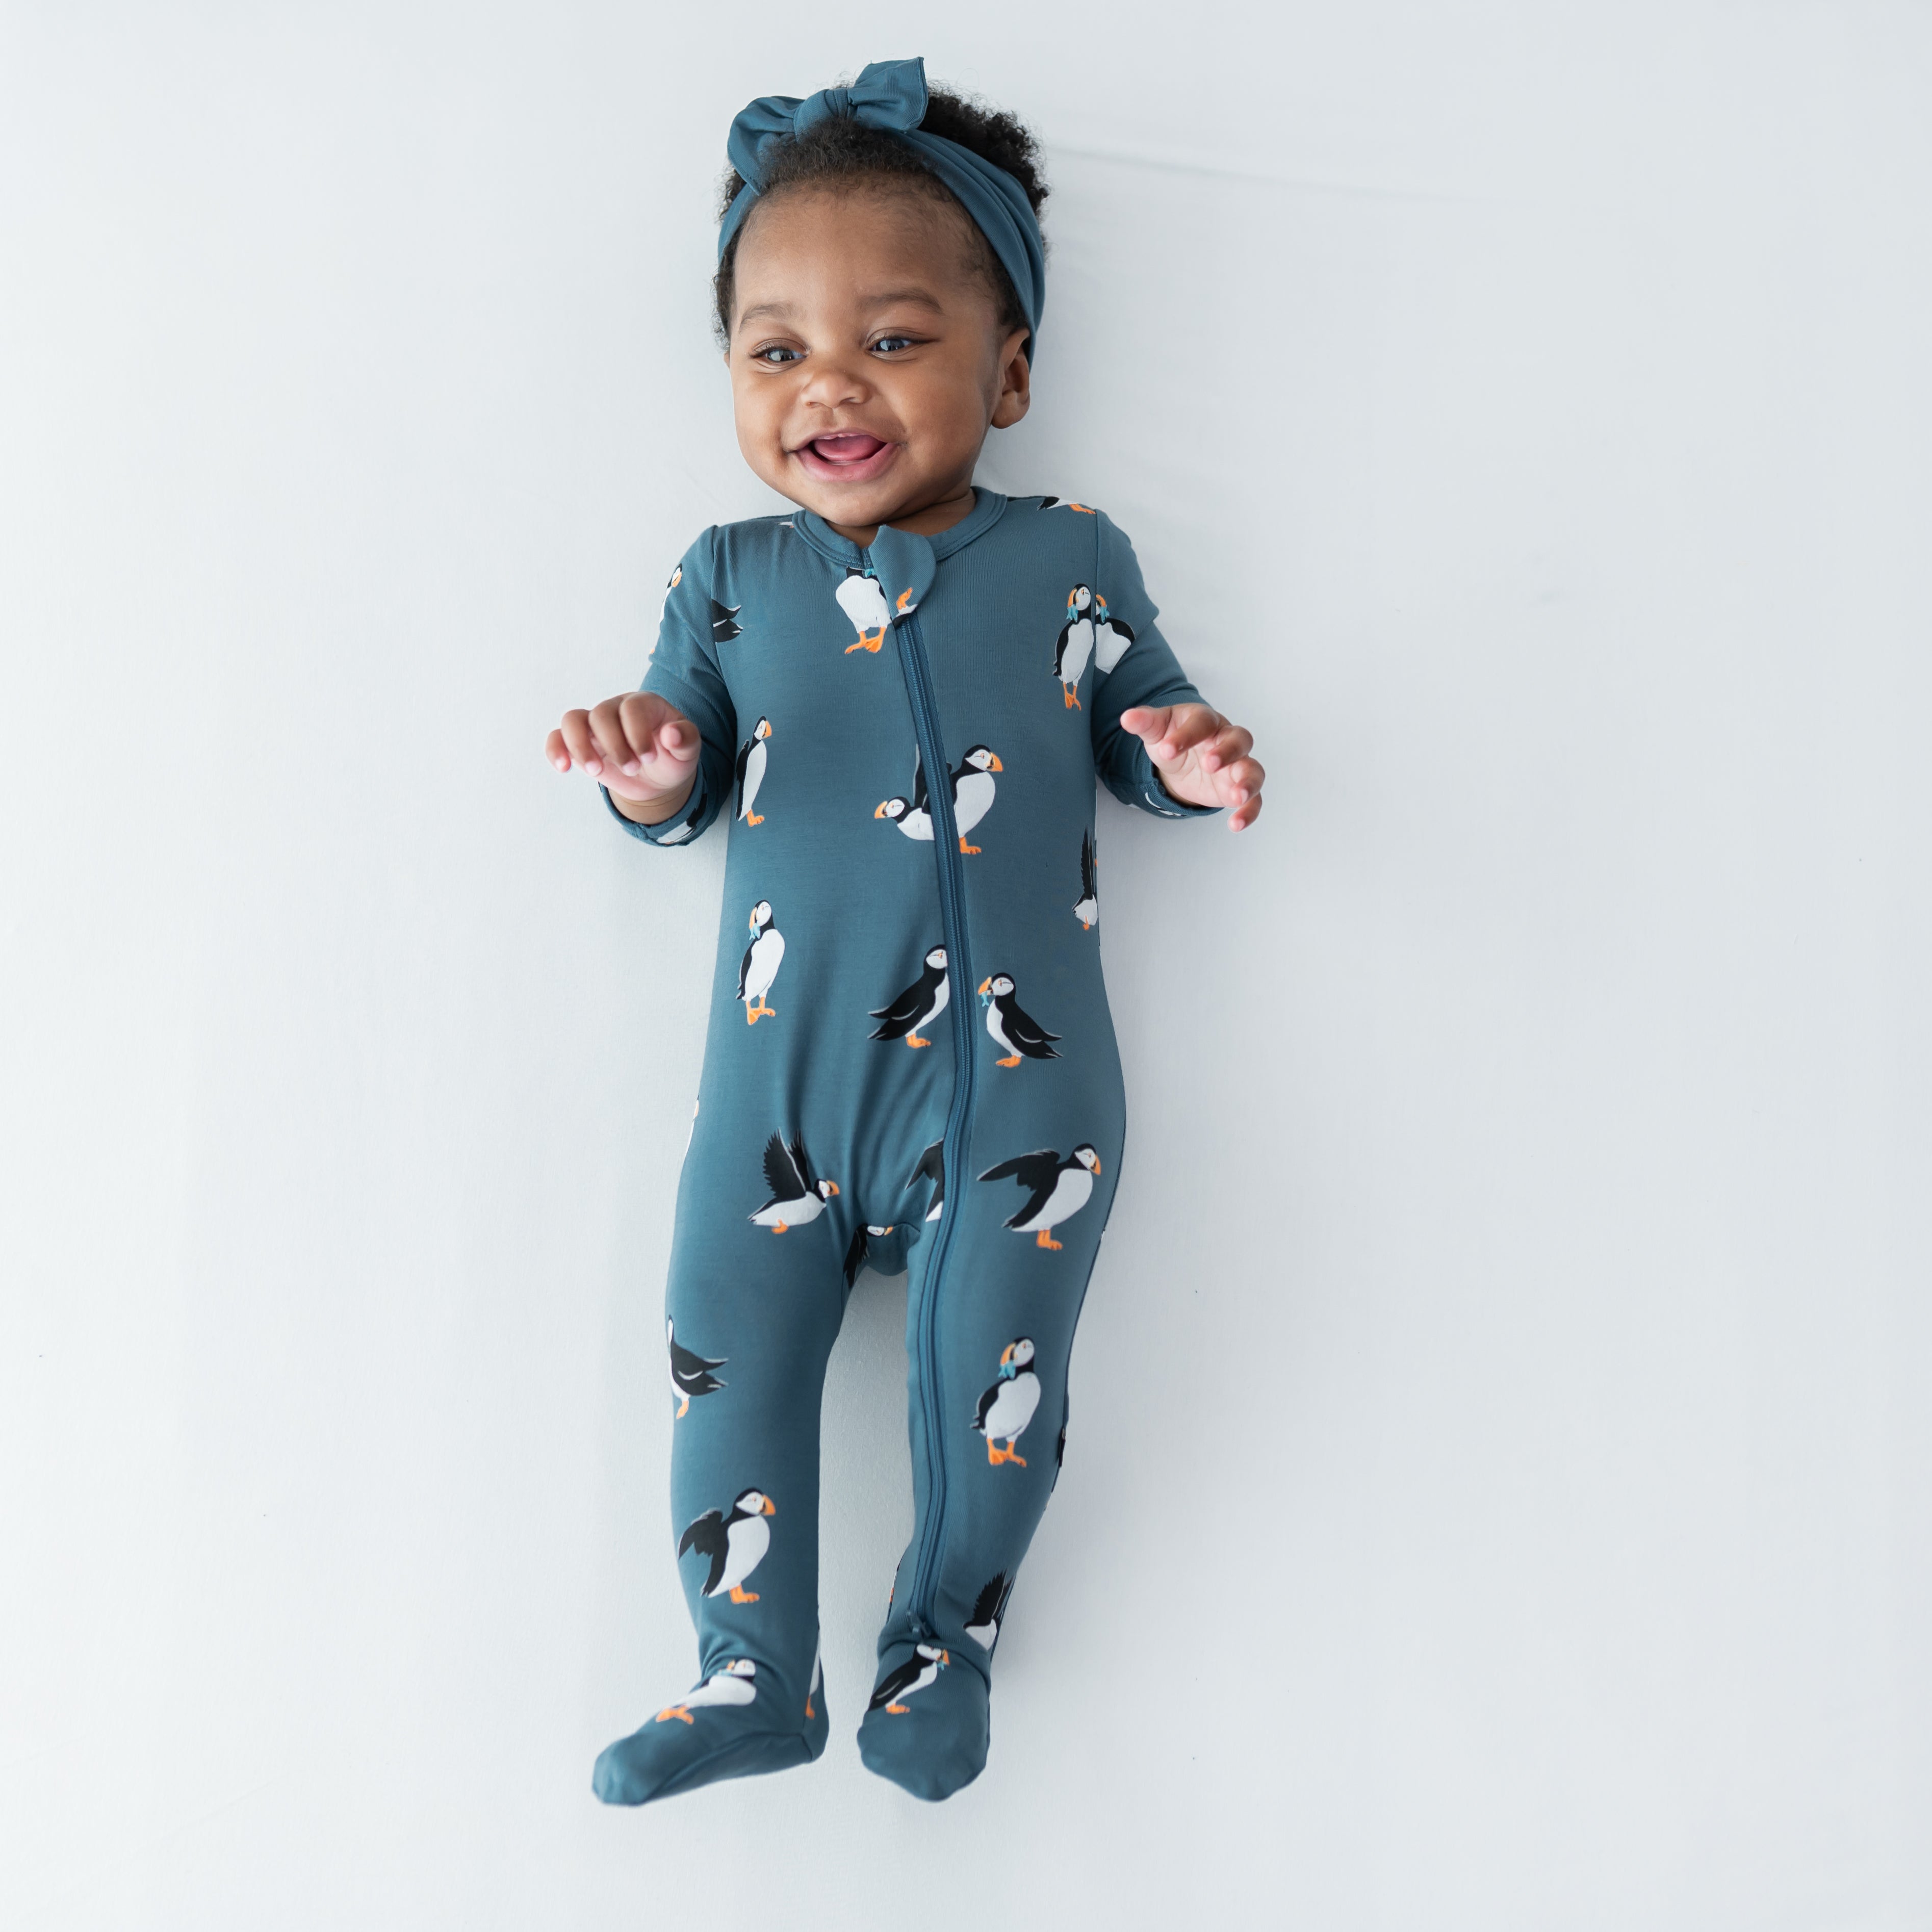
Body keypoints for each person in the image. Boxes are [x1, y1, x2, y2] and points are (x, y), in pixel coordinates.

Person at [546, 58, 1266, 1806]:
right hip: (775, 1102)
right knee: (724, 1350)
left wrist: (1187, 758)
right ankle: (748, 1672)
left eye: (892, 338)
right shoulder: (730, 578)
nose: (831, 384)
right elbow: (681, 777)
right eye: (774, 349)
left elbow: (1145, 727)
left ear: (1007, 369)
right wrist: (647, 769)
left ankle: (944, 1647)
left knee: (991, 1384)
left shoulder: (1071, 555)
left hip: (1018, 1097)